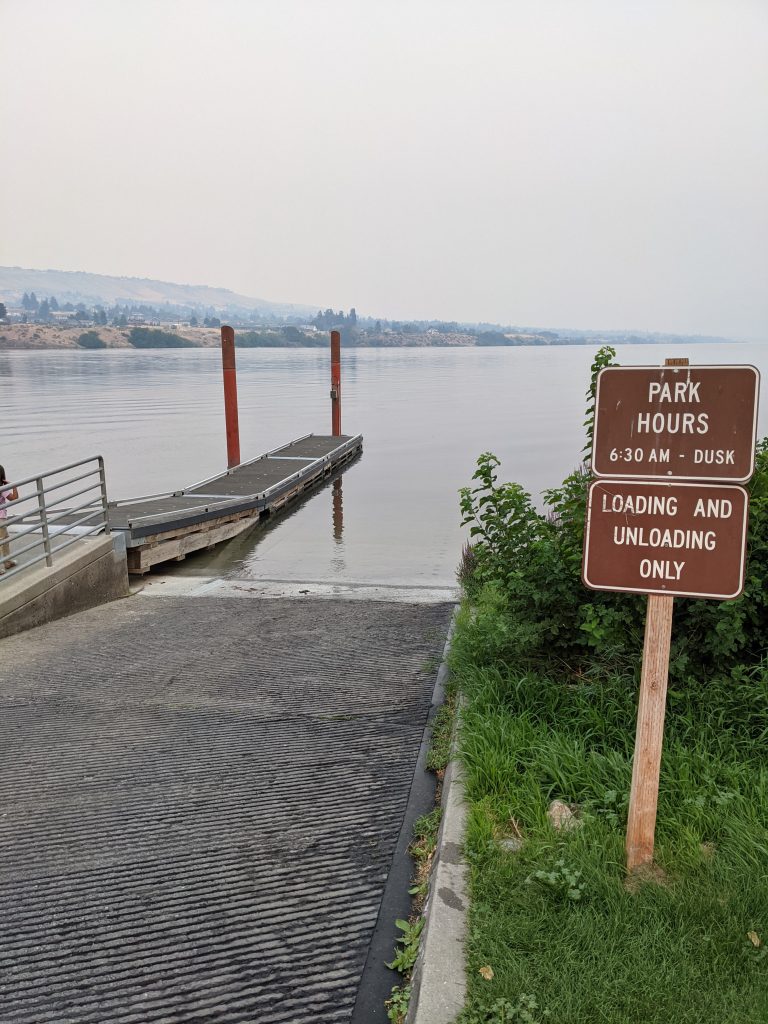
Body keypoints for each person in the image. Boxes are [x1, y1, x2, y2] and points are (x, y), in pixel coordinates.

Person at [0, 465, 19, 573]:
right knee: (3, 540)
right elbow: (14, 498)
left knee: (5, 538)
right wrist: (13, 486)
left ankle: (7, 562)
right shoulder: (3, 489)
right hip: (1, 518)